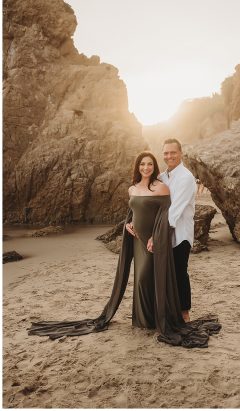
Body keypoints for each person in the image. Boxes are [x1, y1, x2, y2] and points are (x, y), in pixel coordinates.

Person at [28, 152, 219, 348]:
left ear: (154, 166)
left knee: (148, 276)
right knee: (140, 280)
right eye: (142, 164)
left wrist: (157, 236)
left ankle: (157, 319)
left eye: (149, 164)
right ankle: (143, 321)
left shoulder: (161, 188)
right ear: (138, 167)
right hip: (136, 239)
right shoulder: (132, 189)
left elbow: (166, 214)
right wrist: (127, 224)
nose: (146, 167)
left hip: (153, 239)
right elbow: (133, 212)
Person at [127, 138, 196, 322]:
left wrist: (158, 235)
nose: (169, 156)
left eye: (173, 152)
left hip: (180, 233)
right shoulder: (163, 177)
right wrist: (132, 221)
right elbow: (148, 202)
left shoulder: (186, 177)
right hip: (164, 233)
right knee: (164, 273)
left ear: (180, 153)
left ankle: (184, 314)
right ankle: (165, 312)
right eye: (166, 153)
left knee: (180, 272)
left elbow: (174, 211)